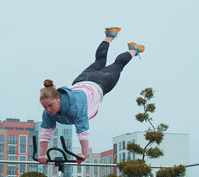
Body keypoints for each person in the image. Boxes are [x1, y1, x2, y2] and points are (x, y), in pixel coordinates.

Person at [38, 27, 145, 164]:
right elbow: (45, 133)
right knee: (99, 61)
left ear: (58, 98)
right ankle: (109, 36)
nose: (48, 109)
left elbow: (83, 132)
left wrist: (83, 154)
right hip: (81, 80)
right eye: (45, 107)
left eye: (50, 105)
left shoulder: (76, 107)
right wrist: (42, 155)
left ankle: (134, 50)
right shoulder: (48, 112)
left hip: (100, 83)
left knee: (118, 65)